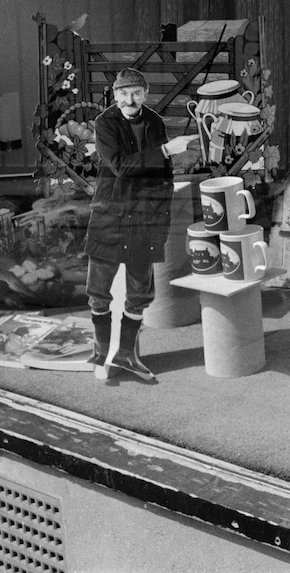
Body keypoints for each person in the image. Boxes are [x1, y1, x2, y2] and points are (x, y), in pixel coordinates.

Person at [84, 68, 197, 381]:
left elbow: (163, 176)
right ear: (115, 95)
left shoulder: (154, 122)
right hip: (111, 214)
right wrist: (164, 151)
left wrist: (161, 222)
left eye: (136, 93)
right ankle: (102, 356)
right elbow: (120, 167)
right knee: (99, 291)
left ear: (145, 94)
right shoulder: (105, 122)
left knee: (139, 292)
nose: (129, 100)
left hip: (145, 218)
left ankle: (126, 355)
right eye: (123, 93)